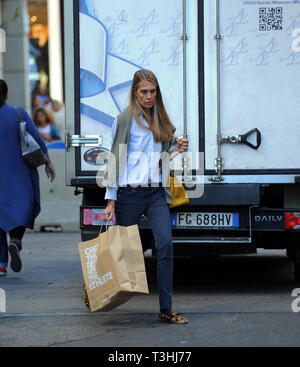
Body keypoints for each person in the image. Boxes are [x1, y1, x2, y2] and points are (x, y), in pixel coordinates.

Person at [102, 70, 189, 324]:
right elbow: (115, 160)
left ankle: (166, 309)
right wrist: (111, 200)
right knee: (121, 252)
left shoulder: (159, 118)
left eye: (152, 91)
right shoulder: (125, 119)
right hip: (129, 194)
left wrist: (175, 151)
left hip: (155, 194)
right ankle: (100, 295)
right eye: (144, 92)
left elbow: (158, 161)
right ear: (135, 92)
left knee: (165, 245)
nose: (149, 96)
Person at [0, 79, 56, 276]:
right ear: (6, 94)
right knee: (24, 208)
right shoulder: (18, 113)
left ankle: (1, 263)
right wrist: (48, 163)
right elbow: (38, 139)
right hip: (20, 174)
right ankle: (15, 240)